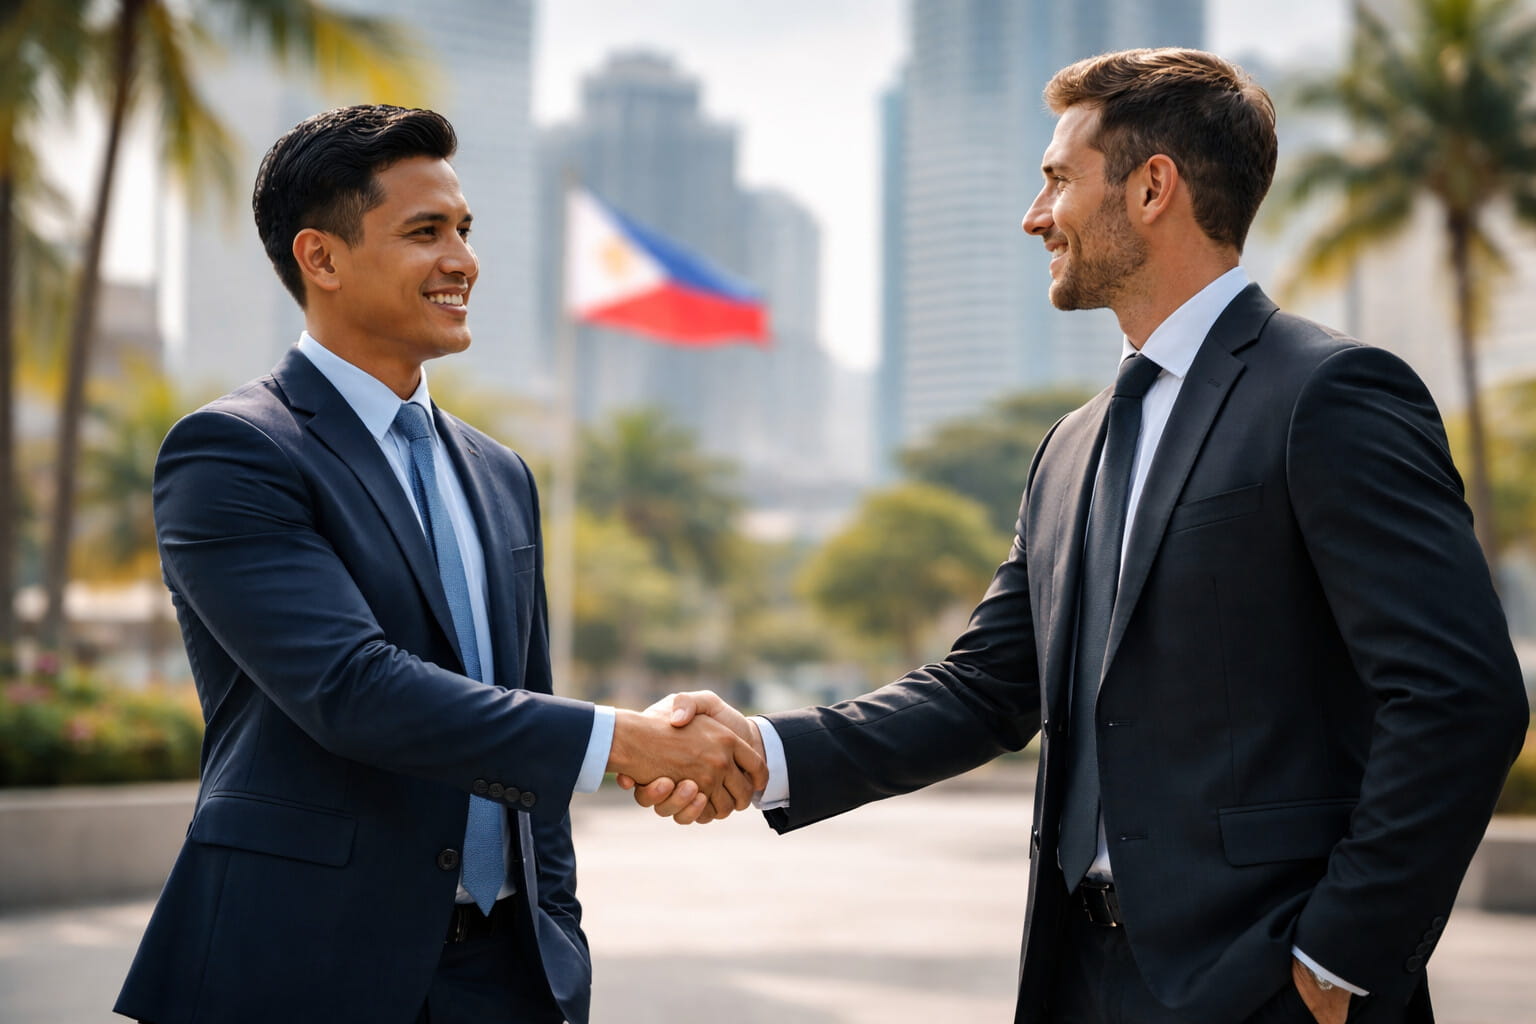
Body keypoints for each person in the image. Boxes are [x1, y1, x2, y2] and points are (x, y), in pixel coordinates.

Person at [626, 48, 1529, 1024]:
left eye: (1059, 178)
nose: (1036, 215)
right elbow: (984, 689)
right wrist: (765, 748)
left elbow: (1459, 693)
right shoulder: (1071, 448)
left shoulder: (1329, 394)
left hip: (1271, 984)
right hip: (1079, 977)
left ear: (1152, 188)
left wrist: (1341, 954)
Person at [114, 104, 765, 1024]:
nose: (463, 259)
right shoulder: (233, 452)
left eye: (464, 229)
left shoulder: (502, 474)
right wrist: (623, 739)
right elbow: (351, 688)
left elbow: (524, 705)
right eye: (426, 232)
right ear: (321, 258)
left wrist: (555, 937)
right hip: (299, 967)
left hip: (505, 976)